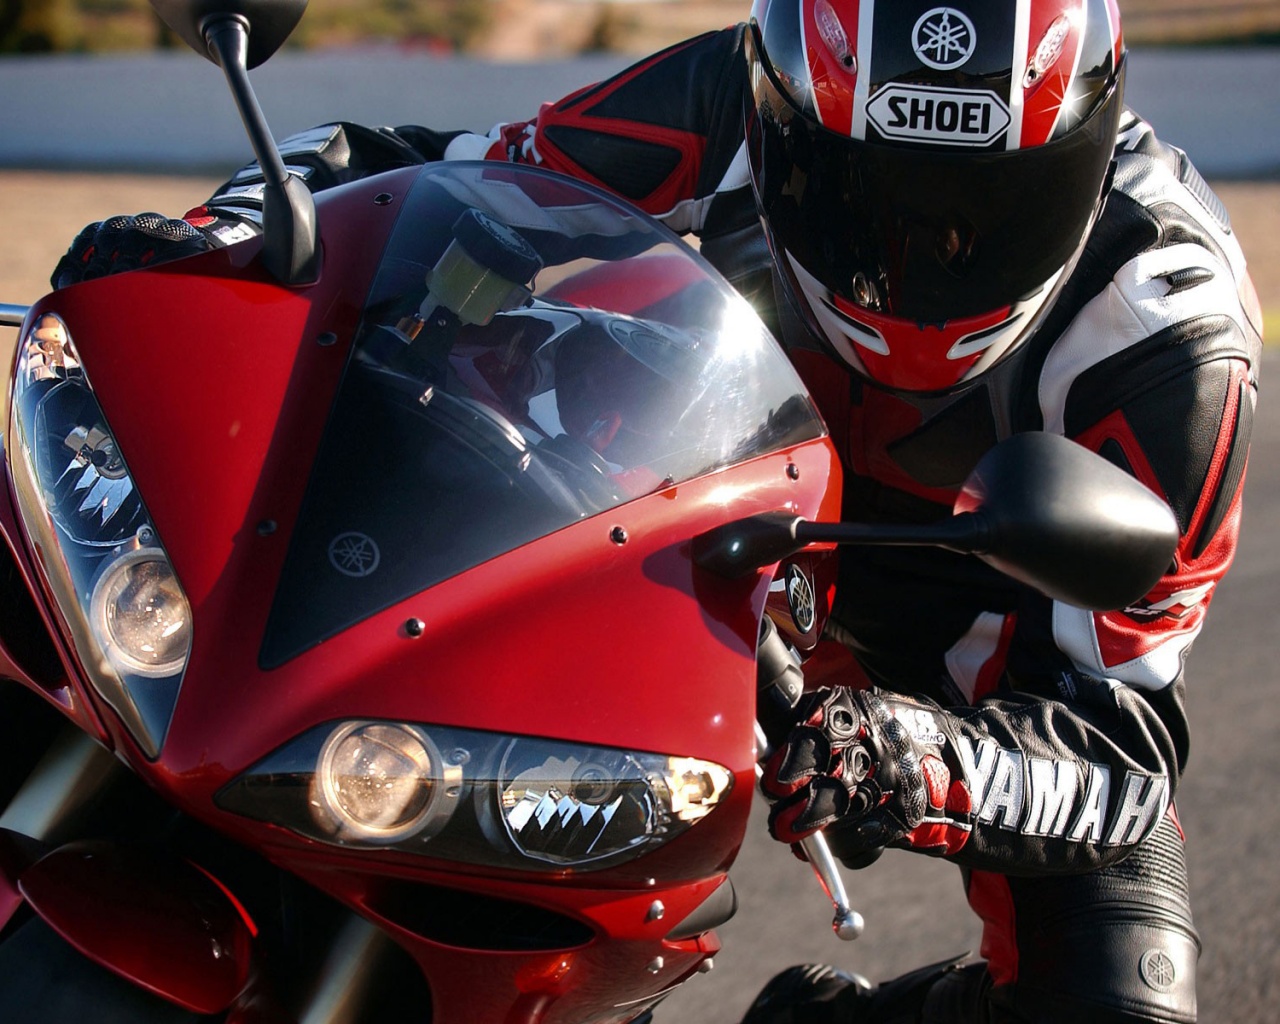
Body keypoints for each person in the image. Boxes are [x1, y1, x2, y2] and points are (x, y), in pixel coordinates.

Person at [51, 1, 1263, 1020]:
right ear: (781, 117)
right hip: (695, 538)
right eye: (857, 192)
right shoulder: (727, 97)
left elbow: (1121, 754)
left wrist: (924, 760)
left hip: (981, 647)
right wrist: (223, 235)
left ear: (1088, 144)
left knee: (1118, 1006)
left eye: (981, 211)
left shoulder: (1169, 341)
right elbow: (449, 179)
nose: (916, 253)